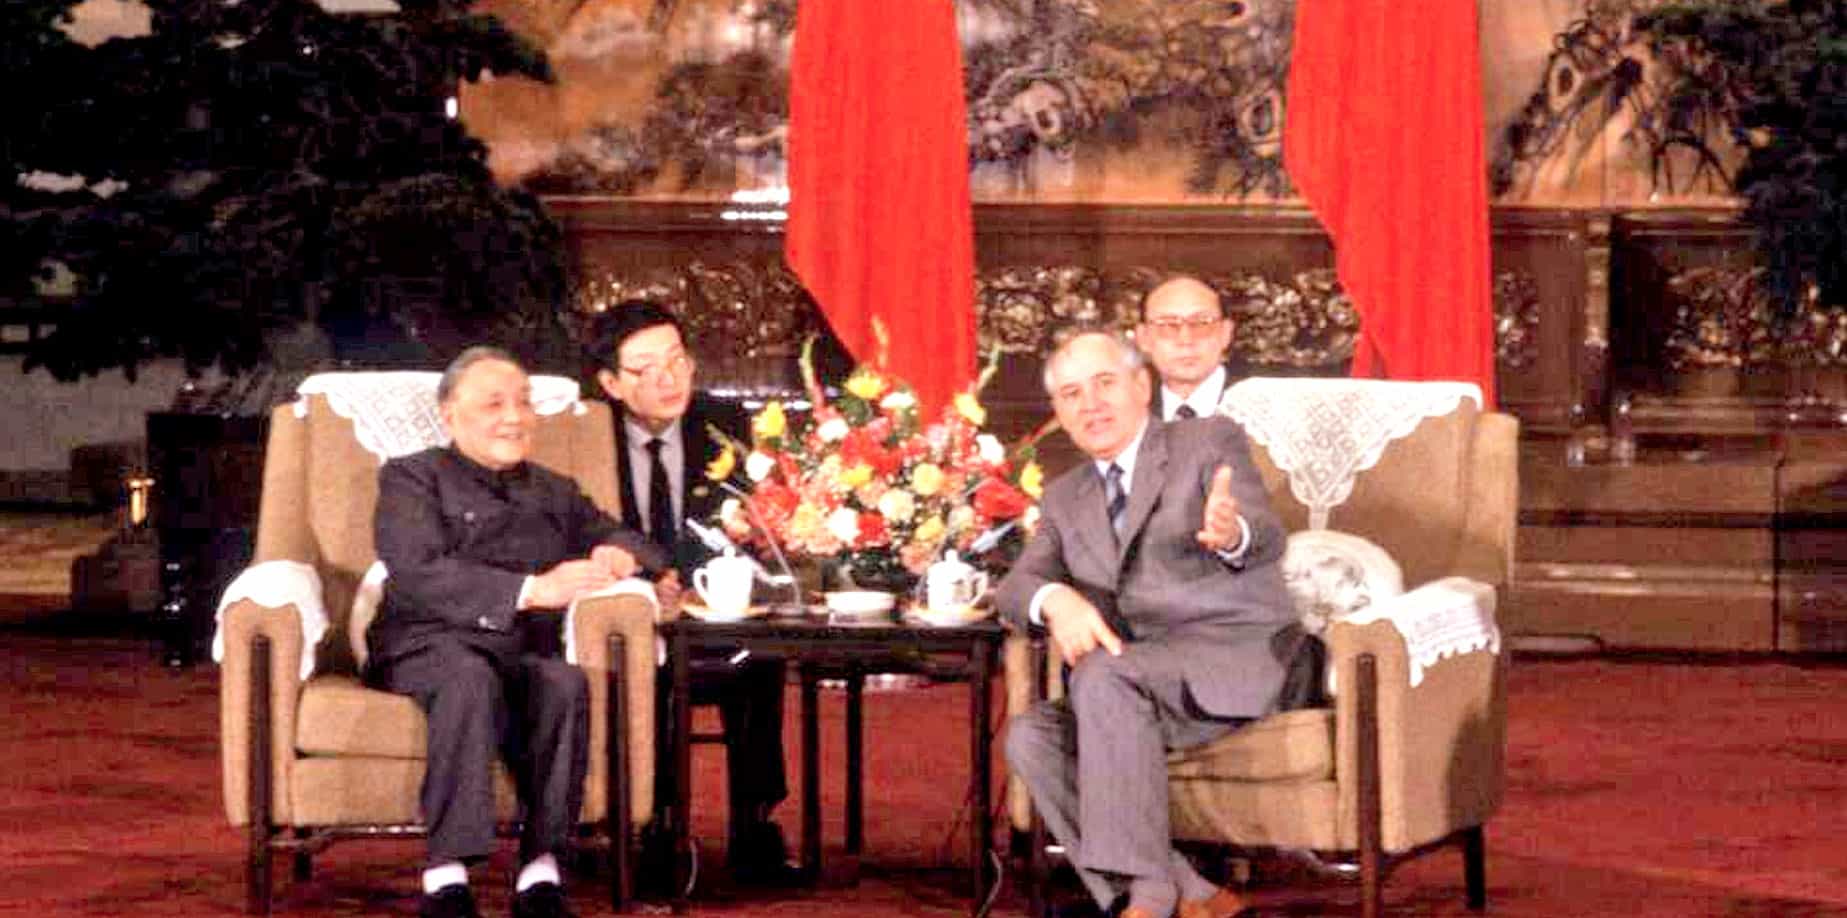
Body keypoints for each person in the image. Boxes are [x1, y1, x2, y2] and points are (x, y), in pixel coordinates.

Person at [998, 329, 1305, 918]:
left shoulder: (1206, 441)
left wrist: (1231, 533)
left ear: (1142, 387)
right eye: (1071, 394)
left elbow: (1263, 534)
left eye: (1105, 383)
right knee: (1031, 736)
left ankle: (1151, 899)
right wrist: (1056, 599)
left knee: (1103, 676)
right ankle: (1196, 895)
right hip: (1137, 685)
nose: (1090, 404)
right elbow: (1016, 586)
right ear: (1059, 413)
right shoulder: (1066, 497)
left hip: (1234, 661)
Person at [367, 346, 670, 918]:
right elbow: (417, 571)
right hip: (425, 643)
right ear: (450, 414)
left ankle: (541, 870)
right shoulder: (411, 477)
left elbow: (635, 540)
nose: (515, 417)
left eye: (524, 403)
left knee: (564, 684)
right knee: (467, 679)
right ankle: (447, 875)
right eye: (494, 404)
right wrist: (533, 591)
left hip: (519, 651)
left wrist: (617, 552)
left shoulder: (553, 490)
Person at [585, 301, 795, 885]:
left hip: (712, 614)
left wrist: (705, 582)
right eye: (646, 368)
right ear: (609, 383)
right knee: (642, 667)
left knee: (761, 656)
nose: (668, 378)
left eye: (677, 360)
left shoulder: (727, 424)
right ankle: (655, 826)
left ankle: (754, 825)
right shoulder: (586, 435)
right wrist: (645, 582)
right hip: (623, 617)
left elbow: (760, 527)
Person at [1137, 276, 1236, 422]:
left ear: (1225, 333)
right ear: (1143, 337)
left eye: (1202, 323)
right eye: (1168, 325)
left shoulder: (1266, 408)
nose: (1186, 340)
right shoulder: (1128, 415)